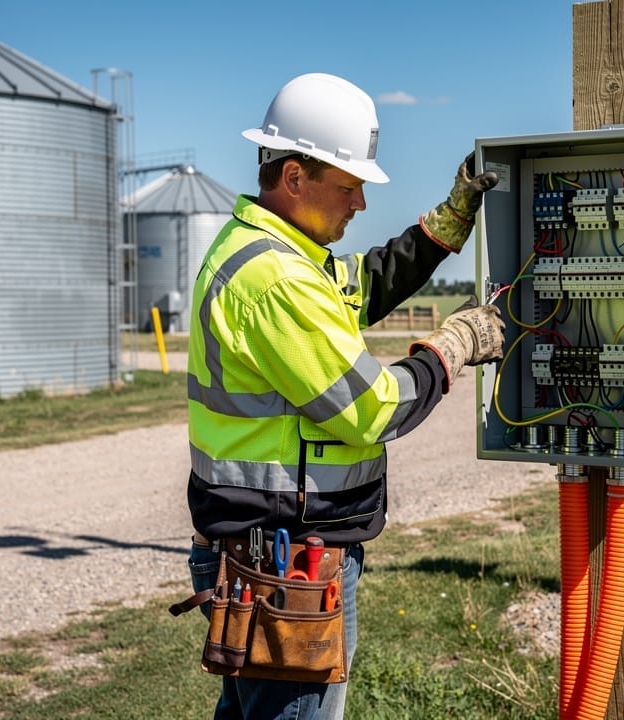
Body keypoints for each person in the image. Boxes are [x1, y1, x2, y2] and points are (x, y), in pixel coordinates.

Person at [182, 72, 505, 720]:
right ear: (295, 177)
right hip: (288, 558)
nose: (360, 204)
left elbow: (366, 284)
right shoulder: (276, 279)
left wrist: (450, 219)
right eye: (350, 185)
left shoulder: (278, 252)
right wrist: (454, 345)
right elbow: (374, 408)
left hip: (262, 544)